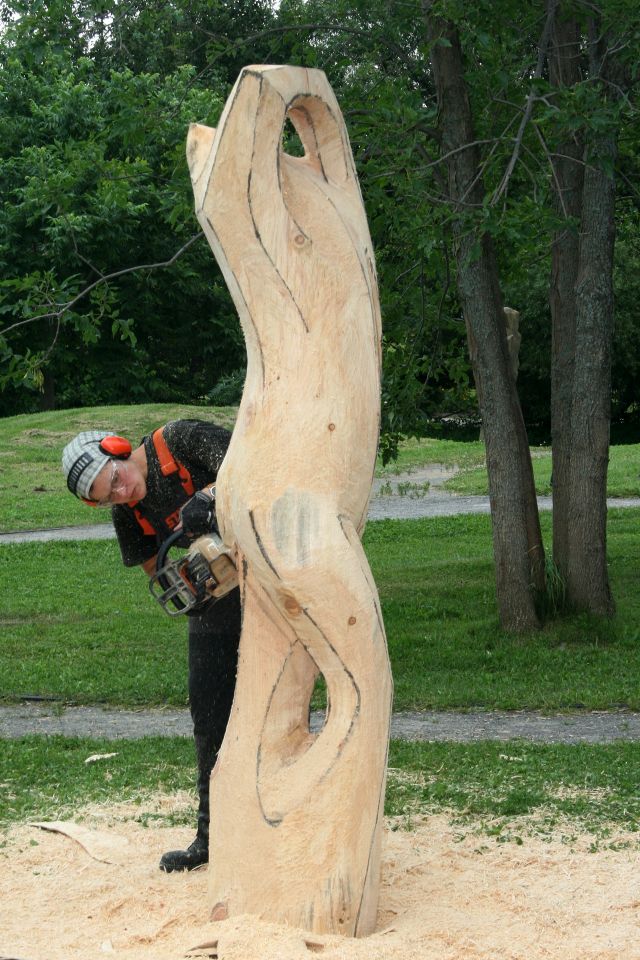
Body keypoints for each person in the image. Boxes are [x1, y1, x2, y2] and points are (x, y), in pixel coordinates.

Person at [61, 419, 241, 873]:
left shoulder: (179, 441)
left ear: (118, 449)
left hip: (272, 572)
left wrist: (209, 498)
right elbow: (157, 572)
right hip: (218, 600)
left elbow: (252, 457)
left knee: (280, 700)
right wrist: (190, 578)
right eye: (108, 496)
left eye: (116, 479)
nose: (121, 494)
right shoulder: (127, 516)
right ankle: (212, 836)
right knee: (209, 716)